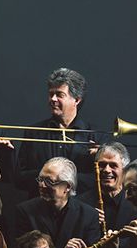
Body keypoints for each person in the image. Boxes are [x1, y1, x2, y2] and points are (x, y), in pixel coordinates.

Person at [10, 157, 102, 248]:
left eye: (49, 181)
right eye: (40, 179)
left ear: (67, 186)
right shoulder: (25, 211)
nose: (42, 185)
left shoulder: (89, 215)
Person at [15, 68, 98, 198]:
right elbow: (20, 178)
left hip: (80, 207)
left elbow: (98, 180)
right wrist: (50, 178)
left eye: (59, 94)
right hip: (40, 206)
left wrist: (63, 180)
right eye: (51, 94)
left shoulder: (94, 135)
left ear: (77, 100)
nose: (53, 99)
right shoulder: (33, 133)